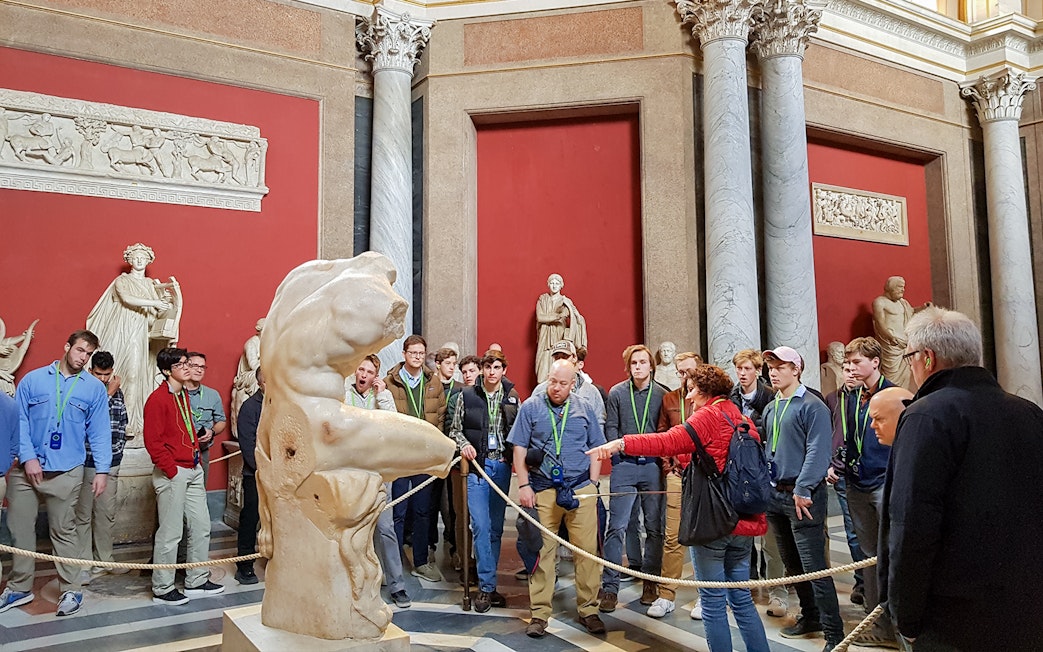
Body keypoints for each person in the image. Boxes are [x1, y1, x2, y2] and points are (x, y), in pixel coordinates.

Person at [881, 307, 1043, 650]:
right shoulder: (1027, 410)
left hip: (955, 615)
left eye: (909, 356)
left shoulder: (925, 416)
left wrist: (906, 614)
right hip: (1027, 602)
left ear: (927, 358)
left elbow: (912, 523)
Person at [587, 364, 770, 652]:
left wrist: (622, 443)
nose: (688, 396)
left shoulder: (708, 415)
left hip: (713, 520)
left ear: (705, 391)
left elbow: (668, 442)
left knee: (711, 602)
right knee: (741, 599)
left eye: (693, 388)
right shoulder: (737, 415)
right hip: (742, 517)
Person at [2, 330, 111, 617]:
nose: (83, 358)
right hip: (28, 470)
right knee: (19, 529)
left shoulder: (94, 388)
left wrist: (102, 470)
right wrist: (27, 458)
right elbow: (20, 421)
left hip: (67, 470)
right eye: (80, 351)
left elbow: (100, 431)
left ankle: (71, 589)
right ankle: (19, 588)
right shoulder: (33, 380)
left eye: (88, 354)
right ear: (66, 347)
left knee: (64, 531)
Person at [509, 359, 606, 638]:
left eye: (563, 383)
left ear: (572, 384)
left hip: (580, 489)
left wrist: (594, 485)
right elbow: (519, 448)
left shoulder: (585, 407)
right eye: (553, 381)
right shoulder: (531, 407)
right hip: (542, 488)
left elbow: (597, 448)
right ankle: (539, 613)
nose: (556, 388)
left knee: (587, 552)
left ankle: (589, 609)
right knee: (542, 553)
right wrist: (524, 485)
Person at [761, 346, 844, 651]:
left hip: (802, 495)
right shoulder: (773, 405)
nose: (773, 371)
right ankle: (810, 616)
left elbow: (818, 450)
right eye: (770, 366)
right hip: (776, 494)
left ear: (796, 369)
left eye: (780, 366)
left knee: (816, 568)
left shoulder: (812, 405)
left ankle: (835, 634)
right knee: (793, 564)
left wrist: (804, 488)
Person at [829, 337, 897, 646]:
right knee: (868, 556)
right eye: (848, 363)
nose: (851, 368)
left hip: (884, 481)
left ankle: (899, 621)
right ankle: (876, 621)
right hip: (856, 482)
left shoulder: (892, 394)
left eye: (857, 362)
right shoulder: (854, 396)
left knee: (893, 553)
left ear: (875, 363)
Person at [144, 347, 224, 605]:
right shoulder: (158, 399)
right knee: (170, 532)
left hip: (193, 468)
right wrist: (171, 468)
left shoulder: (182, 397)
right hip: (174, 472)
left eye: (187, 363)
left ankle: (196, 580)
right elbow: (153, 442)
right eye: (181, 365)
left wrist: (196, 455)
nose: (188, 367)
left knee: (201, 526)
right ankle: (163, 586)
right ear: (167, 371)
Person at [447, 350, 520, 612]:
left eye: (496, 367)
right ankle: (486, 587)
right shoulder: (466, 396)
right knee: (479, 525)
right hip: (478, 467)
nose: (491, 372)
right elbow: (454, 430)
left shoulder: (512, 397)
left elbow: (518, 432)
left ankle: (489, 584)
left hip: (501, 466)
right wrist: (464, 444)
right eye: (487, 366)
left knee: (495, 529)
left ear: (503, 370)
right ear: (482, 369)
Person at [599, 344, 666, 613]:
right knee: (616, 526)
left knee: (654, 527)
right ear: (628, 367)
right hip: (625, 465)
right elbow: (611, 428)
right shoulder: (616, 392)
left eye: (642, 362)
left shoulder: (662, 395)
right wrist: (618, 457)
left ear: (651, 365)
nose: (638, 367)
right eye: (633, 363)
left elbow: (665, 431)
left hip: (651, 466)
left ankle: (650, 581)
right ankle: (610, 587)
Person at [86, 243, 180, 435]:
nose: (139, 260)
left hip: (140, 332)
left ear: (148, 260)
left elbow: (157, 313)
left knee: (135, 373)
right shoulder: (122, 280)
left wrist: (169, 302)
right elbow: (127, 298)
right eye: (135, 257)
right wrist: (155, 302)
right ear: (129, 260)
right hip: (121, 330)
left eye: (143, 258)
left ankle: (130, 420)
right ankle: (108, 418)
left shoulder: (150, 284)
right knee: (114, 373)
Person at [345, 355, 411, 608]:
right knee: (353, 529)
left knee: (385, 528)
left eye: (369, 371)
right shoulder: (344, 394)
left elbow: (392, 426)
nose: (363, 374)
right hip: (352, 472)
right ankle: (355, 583)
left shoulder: (382, 396)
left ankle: (397, 585)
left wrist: (383, 396)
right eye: (360, 369)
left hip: (380, 472)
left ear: (376, 376)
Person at [384, 335, 447, 582]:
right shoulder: (391, 382)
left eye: (421, 354)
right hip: (399, 456)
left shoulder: (434, 383)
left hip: (424, 456)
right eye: (413, 353)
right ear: (404, 354)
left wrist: (433, 443)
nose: (417, 357)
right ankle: (395, 562)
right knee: (397, 511)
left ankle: (421, 561)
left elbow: (440, 414)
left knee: (423, 511)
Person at [728, 348, 782, 616]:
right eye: (739, 369)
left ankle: (775, 586)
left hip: (763, 467)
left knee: (770, 532)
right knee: (744, 527)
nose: (742, 373)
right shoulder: (732, 396)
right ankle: (746, 579)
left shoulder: (770, 396)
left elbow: (770, 429)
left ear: (757, 371)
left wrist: (749, 430)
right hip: (741, 468)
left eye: (747, 369)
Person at [649, 350, 700, 619]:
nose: (685, 377)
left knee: (705, 536)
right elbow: (662, 435)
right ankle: (666, 594)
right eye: (681, 372)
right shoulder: (670, 399)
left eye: (690, 372)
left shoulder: (708, 399)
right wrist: (669, 467)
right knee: (672, 537)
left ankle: (707, 595)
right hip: (677, 476)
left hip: (704, 479)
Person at [73, 351, 129, 582]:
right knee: (83, 514)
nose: (104, 378)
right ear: (90, 371)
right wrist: (108, 393)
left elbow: (121, 422)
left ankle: (104, 560)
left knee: (106, 515)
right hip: (86, 461)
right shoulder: (82, 390)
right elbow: (86, 422)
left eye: (107, 375)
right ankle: (84, 562)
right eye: (99, 374)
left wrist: (118, 451)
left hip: (111, 462)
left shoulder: (117, 393)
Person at [430, 346, 462, 571]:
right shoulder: (431, 385)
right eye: (448, 363)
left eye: (454, 364)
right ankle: (430, 545)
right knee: (432, 502)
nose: (452, 367)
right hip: (433, 452)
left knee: (453, 505)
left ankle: (455, 549)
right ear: (438, 364)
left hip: (455, 455)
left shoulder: (461, 390)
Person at [234, 367, 265, 586]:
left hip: (281, 474)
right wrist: (262, 469)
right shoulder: (249, 407)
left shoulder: (282, 406)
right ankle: (244, 565)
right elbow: (247, 443)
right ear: (260, 382)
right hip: (255, 473)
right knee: (251, 517)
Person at [534, 274, 587, 382]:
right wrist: (558, 317)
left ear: (561, 286)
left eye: (557, 283)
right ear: (548, 284)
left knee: (560, 367)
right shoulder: (542, 299)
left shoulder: (565, 301)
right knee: (541, 373)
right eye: (552, 283)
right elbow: (540, 317)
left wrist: (572, 315)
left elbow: (577, 317)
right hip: (544, 338)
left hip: (559, 337)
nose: (554, 285)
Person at [184, 352, 224, 486]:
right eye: (195, 365)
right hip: (178, 452)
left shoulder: (212, 395)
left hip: (202, 452)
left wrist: (211, 432)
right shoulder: (175, 393)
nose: (199, 369)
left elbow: (221, 421)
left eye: (202, 367)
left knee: (199, 492)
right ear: (185, 366)